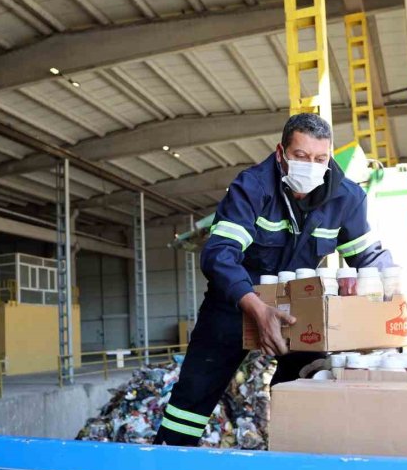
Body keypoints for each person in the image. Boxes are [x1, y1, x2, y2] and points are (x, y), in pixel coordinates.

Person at [154, 113, 394, 446]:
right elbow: (219, 255)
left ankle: (289, 451)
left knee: (304, 386)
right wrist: (255, 306)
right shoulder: (252, 188)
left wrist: (396, 296)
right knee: (193, 396)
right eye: (301, 156)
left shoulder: (346, 198)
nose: (311, 166)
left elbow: (369, 257)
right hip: (234, 302)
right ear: (281, 153)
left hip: (299, 308)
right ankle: (171, 458)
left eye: (320, 159)